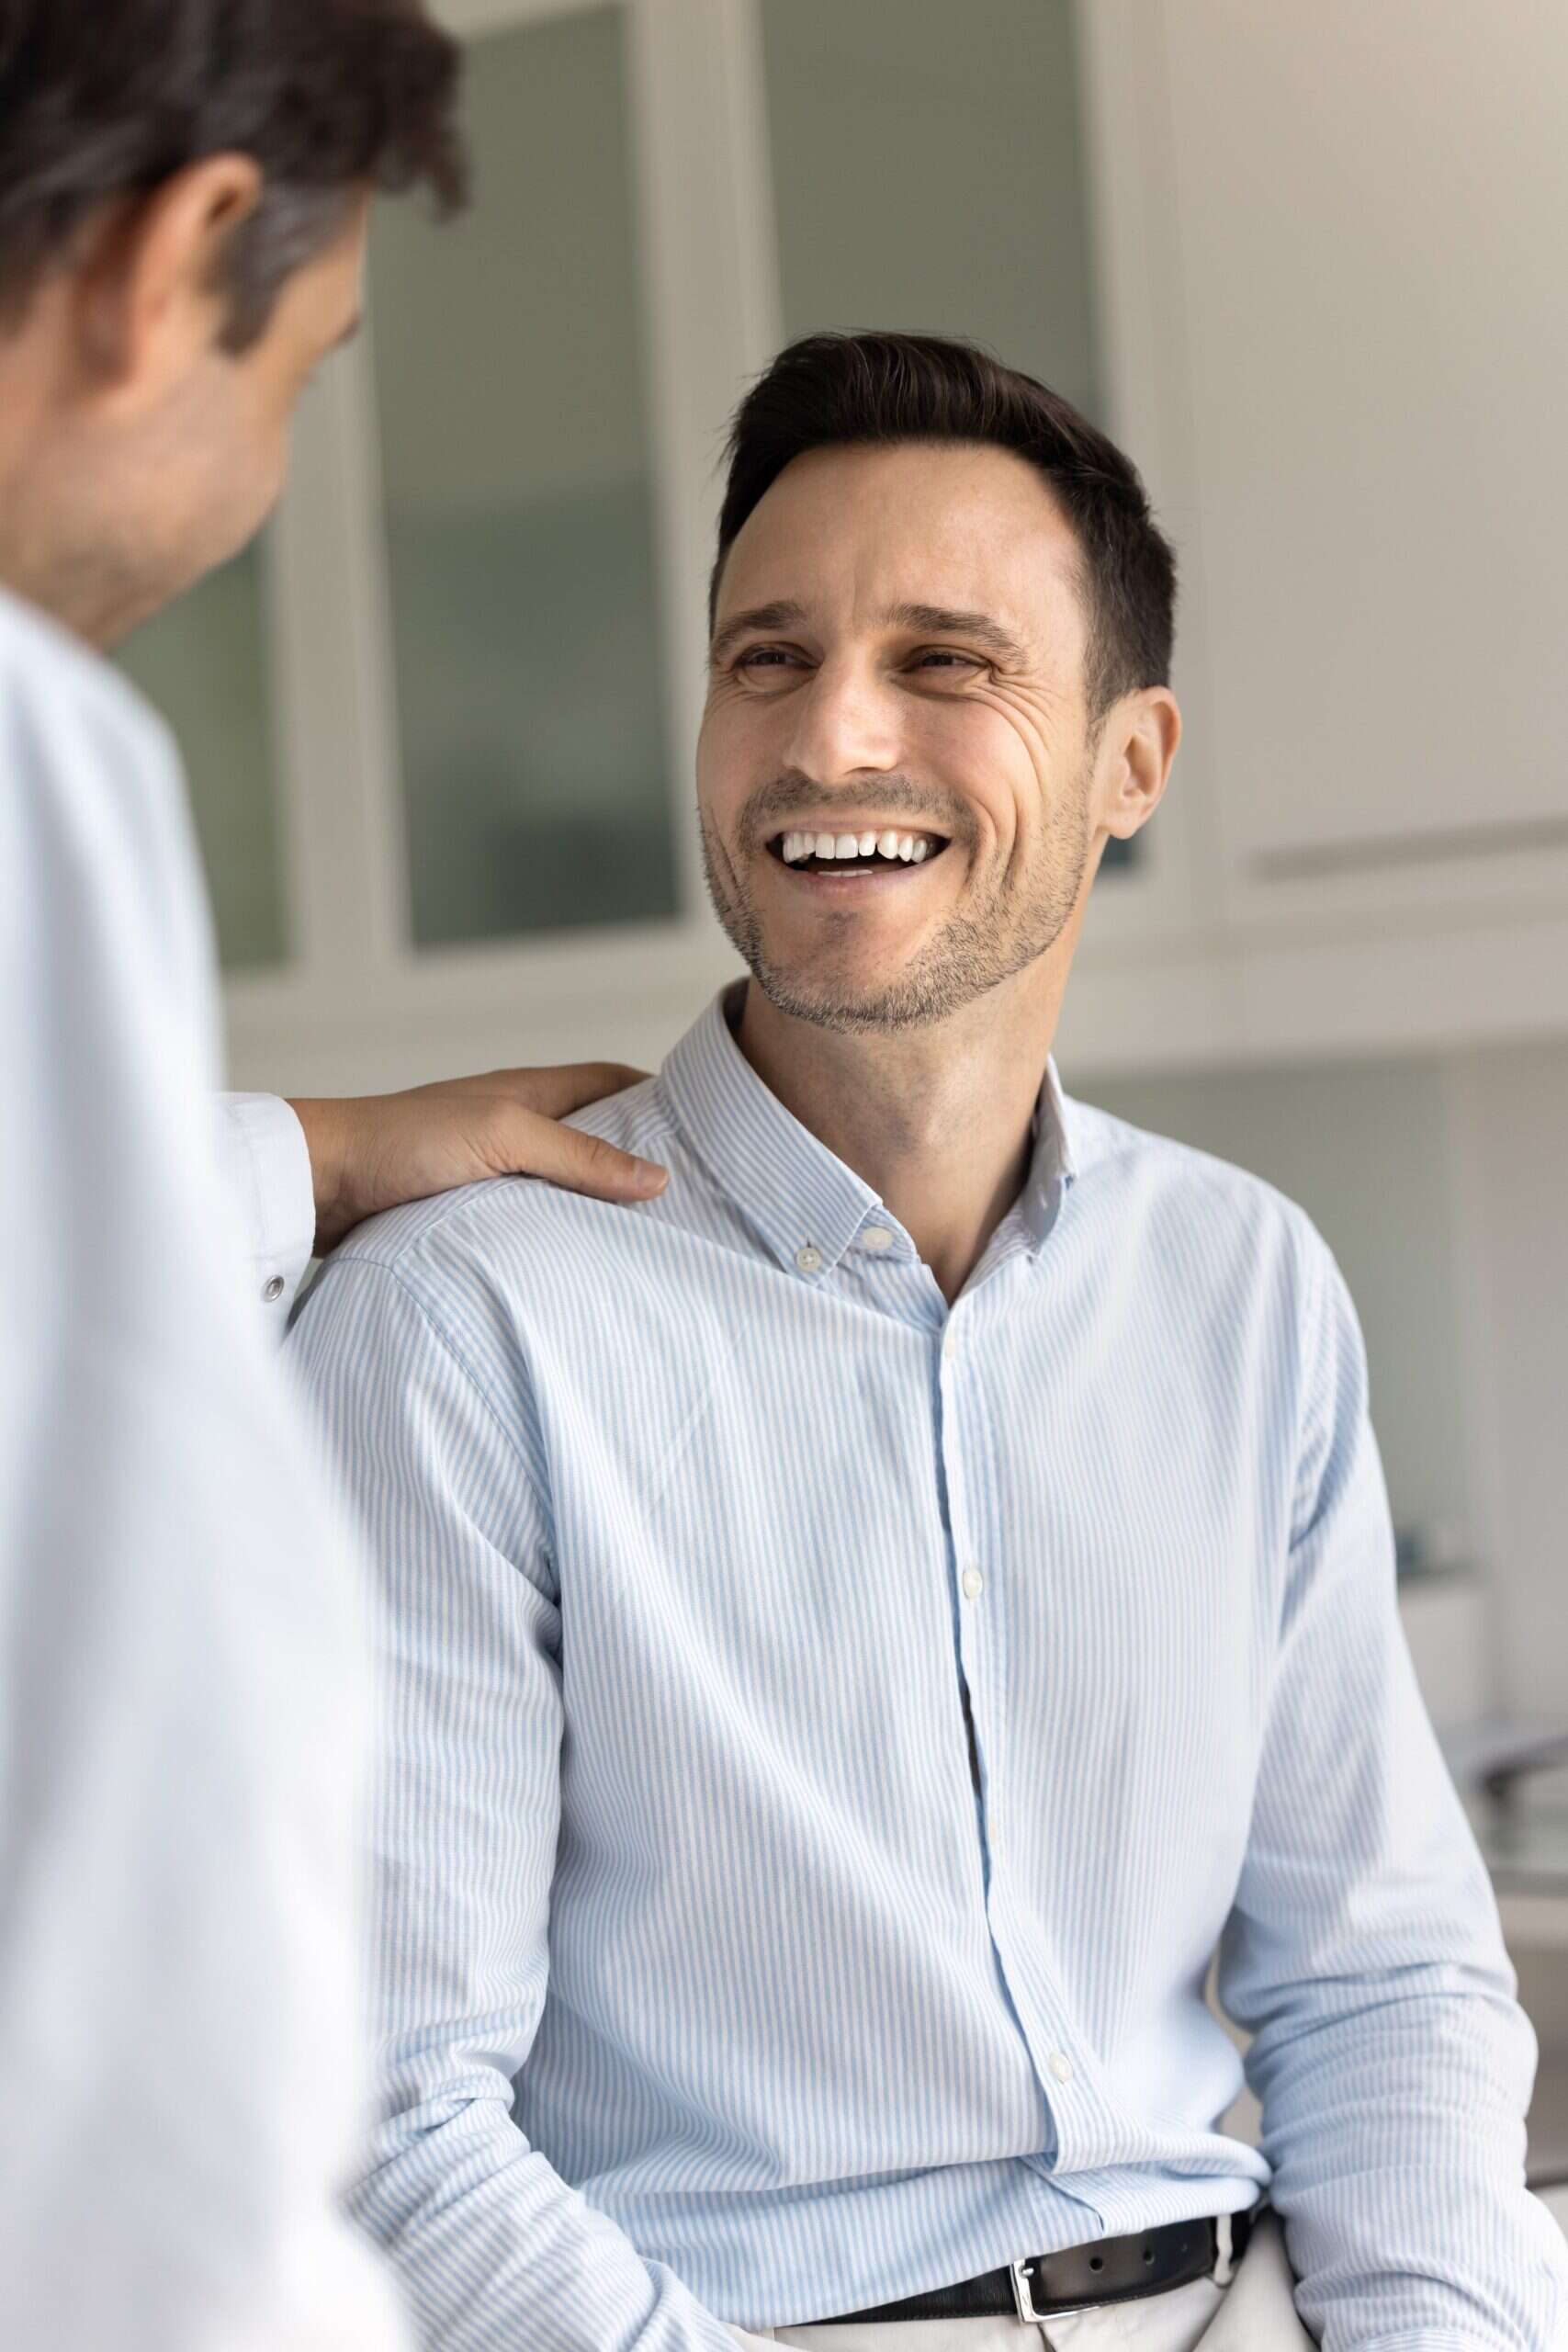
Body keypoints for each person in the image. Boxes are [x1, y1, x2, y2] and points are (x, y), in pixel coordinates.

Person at [292, 333, 1568, 2352]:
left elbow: (1381, 1973)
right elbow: (379, 2118)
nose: (826, 739)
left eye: (945, 661)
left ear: (1132, 758)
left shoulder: (1240, 1283)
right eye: (765, 657)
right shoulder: (458, 1322)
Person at [0, 3, 658, 2343]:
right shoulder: (30, 760)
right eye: (299, 375)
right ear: (173, 261)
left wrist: (325, 1152)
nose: (268, 469)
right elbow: (130, 1845)